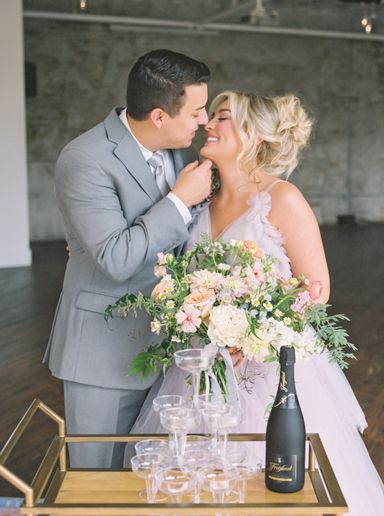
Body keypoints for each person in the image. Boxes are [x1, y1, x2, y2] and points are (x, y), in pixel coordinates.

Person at [131, 91, 384, 514]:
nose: (208, 124)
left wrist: (252, 336)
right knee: (199, 479)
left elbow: (316, 290)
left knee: (276, 482)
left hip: (268, 371)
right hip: (204, 366)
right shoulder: (199, 201)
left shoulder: (282, 198)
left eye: (222, 117)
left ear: (255, 136)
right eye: (210, 116)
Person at [43, 49, 213, 468]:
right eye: (197, 111)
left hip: (169, 354)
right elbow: (117, 258)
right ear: (159, 115)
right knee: (95, 481)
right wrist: (177, 202)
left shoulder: (180, 152)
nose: (204, 121)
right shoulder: (84, 159)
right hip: (103, 352)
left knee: (150, 477)